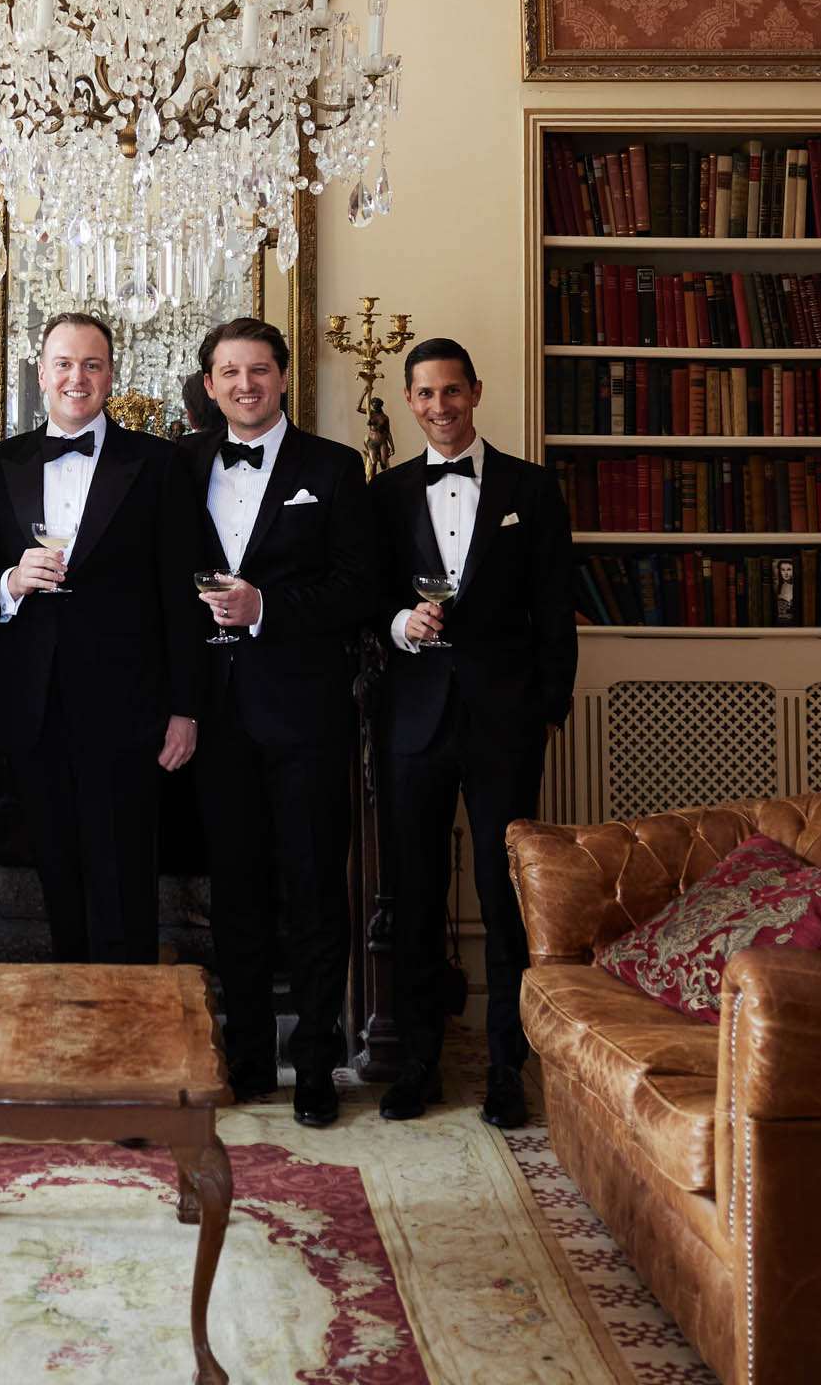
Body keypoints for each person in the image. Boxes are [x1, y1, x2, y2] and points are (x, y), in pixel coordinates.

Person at [369, 336, 577, 1129]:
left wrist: (547, 709)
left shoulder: (532, 487)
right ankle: (417, 1063)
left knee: (504, 897)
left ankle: (502, 1068)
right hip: (412, 718)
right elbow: (364, 599)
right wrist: (398, 622)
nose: (438, 407)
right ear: (410, 400)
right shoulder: (383, 494)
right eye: (424, 395)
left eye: (451, 392)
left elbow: (555, 608)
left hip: (503, 721)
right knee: (414, 895)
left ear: (475, 393)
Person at [0, 311, 202, 963]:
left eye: (91, 364)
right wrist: (9, 581)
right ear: (41, 373)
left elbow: (181, 597)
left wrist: (185, 708)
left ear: (110, 375)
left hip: (130, 710)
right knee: (55, 877)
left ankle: (131, 1040)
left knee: (125, 883)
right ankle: (72, 1038)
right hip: (30, 710)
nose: (77, 377)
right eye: (63, 363)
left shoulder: (158, 464)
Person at [178, 316, 375, 1128]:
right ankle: (250, 1057)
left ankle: (318, 1063)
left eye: (258, 371)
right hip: (210, 716)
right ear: (209, 383)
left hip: (304, 710)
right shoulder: (179, 464)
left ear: (283, 377)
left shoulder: (332, 467)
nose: (244, 385)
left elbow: (356, 588)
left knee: (313, 890)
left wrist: (266, 608)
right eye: (228, 373)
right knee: (234, 896)